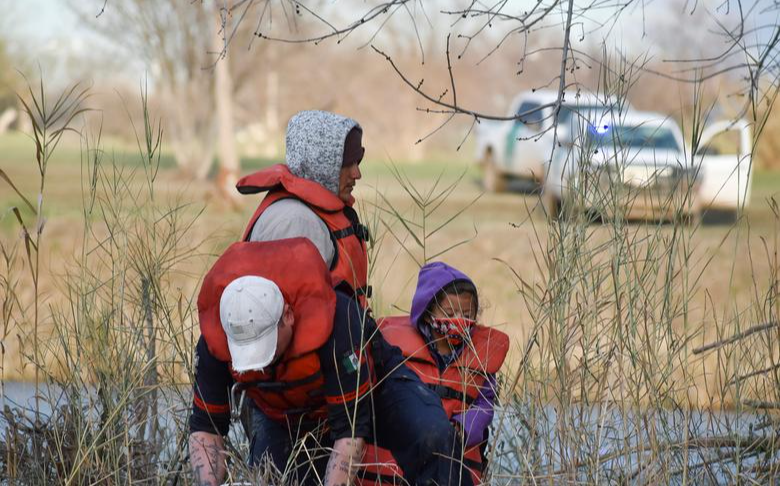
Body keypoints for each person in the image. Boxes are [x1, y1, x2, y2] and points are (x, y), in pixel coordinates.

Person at [188, 238, 475, 486]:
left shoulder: (338, 323)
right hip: (284, 411)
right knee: (275, 477)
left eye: (266, 348)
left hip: (372, 387)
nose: (262, 363)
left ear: (288, 315)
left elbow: (350, 434)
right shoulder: (220, 335)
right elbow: (205, 428)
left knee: (434, 437)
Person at [359, 262, 510, 485]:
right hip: (397, 463)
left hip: (453, 461)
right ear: (428, 313)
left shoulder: (481, 357)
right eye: (450, 313)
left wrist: (463, 427)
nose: (459, 319)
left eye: (466, 314)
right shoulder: (393, 351)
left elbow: (485, 403)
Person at [236, 110, 371, 303]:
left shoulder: (307, 214)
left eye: (358, 161)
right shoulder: (296, 223)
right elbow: (283, 320)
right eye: (347, 163)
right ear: (320, 163)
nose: (357, 173)